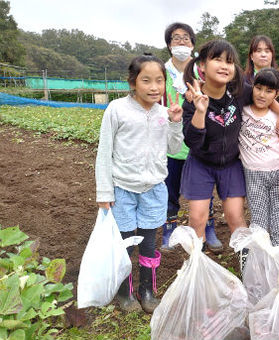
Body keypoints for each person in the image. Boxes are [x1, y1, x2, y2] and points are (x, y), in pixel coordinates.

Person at [181, 39, 279, 253]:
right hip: (200, 163)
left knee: (235, 217)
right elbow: (192, 142)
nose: (224, 66)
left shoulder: (239, 91)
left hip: (230, 164)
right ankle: (197, 269)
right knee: (196, 218)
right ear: (202, 65)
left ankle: (248, 266)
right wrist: (201, 111)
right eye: (217, 60)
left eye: (229, 62)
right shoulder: (192, 100)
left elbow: (265, 97)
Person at [95, 54, 184, 313]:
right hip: (122, 189)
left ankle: (147, 290)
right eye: (146, 80)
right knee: (125, 242)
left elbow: (174, 147)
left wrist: (175, 123)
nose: (154, 87)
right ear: (133, 82)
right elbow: (104, 151)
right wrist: (104, 191)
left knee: (148, 243)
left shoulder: (164, 114)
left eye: (159, 81)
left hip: (154, 189)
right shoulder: (117, 109)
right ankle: (125, 293)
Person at [161, 22, 222, 253]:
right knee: (170, 189)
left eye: (186, 38)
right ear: (168, 45)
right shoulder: (161, 71)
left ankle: (209, 228)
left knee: (205, 188)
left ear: (193, 44)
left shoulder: (202, 71)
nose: (181, 42)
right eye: (176, 38)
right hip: (171, 139)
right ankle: (169, 230)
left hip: (200, 138)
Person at [239, 68, 279, 246]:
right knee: (259, 222)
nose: (262, 95)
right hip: (253, 176)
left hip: (278, 174)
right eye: (258, 88)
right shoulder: (242, 110)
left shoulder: (277, 117)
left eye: (269, 91)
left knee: (278, 221)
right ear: (252, 87)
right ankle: (261, 259)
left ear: (277, 94)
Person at [245, 35, 279, 115]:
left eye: (267, 51)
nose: (263, 55)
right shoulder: (244, 78)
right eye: (258, 51)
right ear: (251, 56)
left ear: (272, 55)